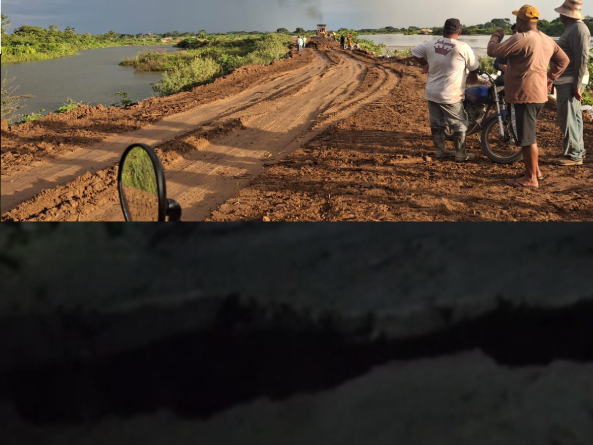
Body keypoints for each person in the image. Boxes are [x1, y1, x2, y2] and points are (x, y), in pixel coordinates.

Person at [487, 5, 568, 188]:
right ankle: (536, 171)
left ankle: (530, 178)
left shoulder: (521, 38)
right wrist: (550, 77)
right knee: (529, 134)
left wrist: (496, 36)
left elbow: (493, 51)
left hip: (523, 95)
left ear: (520, 22)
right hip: (539, 95)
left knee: (526, 138)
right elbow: (564, 61)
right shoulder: (546, 39)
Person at [412, 18, 480, 161]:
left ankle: (440, 151)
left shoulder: (430, 44)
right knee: (459, 125)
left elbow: (415, 52)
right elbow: (474, 67)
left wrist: (425, 65)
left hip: (432, 92)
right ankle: (461, 154)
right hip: (450, 94)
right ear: (459, 32)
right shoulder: (462, 47)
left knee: (437, 124)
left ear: (443, 31)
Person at [550, 0, 591, 166]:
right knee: (574, 117)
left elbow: (582, 59)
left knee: (567, 117)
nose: (559, 15)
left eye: (561, 12)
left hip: (571, 80)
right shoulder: (573, 29)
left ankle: (574, 155)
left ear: (566, 14)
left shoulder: (579, 30)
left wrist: (577, 85)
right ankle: (574, 150)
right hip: (568, 80)